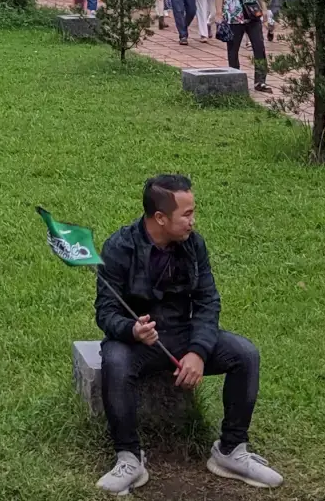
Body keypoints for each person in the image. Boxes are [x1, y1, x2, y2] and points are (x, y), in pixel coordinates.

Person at [94, 175, 282, 494]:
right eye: (187, 214)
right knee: (114, 361)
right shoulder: (119, 246)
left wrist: (197, 351)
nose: (193, 221)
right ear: (160, 218)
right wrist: (132, 329)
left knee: (244, 354)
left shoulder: (193, 245)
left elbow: (208, 301)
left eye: (193, 212)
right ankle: (129, 457)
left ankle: (231, 450)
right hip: (139, 342)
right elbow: (105, 311)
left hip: (184, 333)